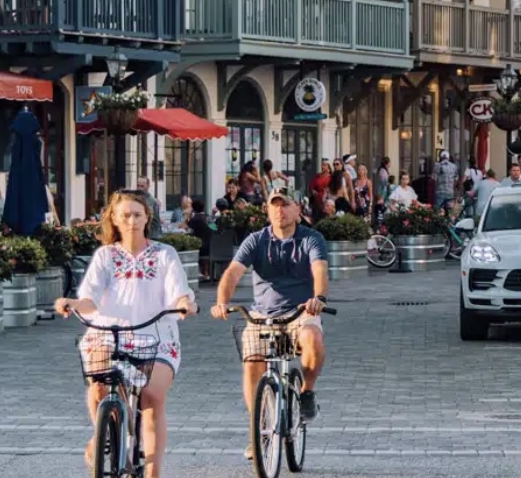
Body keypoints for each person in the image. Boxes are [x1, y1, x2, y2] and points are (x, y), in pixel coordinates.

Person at [56, 189, 196, 478]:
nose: (131, 221)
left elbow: (179, 291)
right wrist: (71, 303)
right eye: (125, 215)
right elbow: (90, 299)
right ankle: (102, 434)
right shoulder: (105, 256)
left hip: (156, 335)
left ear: (147, 218)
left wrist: (185, 304)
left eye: (137, 214)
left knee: (152, 396)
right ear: (115, 220)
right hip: (109, 332)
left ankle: (153, 471)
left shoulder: (164, 254)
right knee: (98, 389)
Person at [212, 191, 329, 459]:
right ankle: (259, 428)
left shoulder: (311, 239)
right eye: (274, 206)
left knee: (313, 338)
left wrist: (318, 298)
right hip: (262, 314)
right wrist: (221, 301)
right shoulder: (256, 240)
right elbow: (233, 272)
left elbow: (320, 270)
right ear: (267, 210)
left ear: (297, 209)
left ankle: (307, 391)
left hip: (301, 311)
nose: (280, 211)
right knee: (252, 362)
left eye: (285, 205)